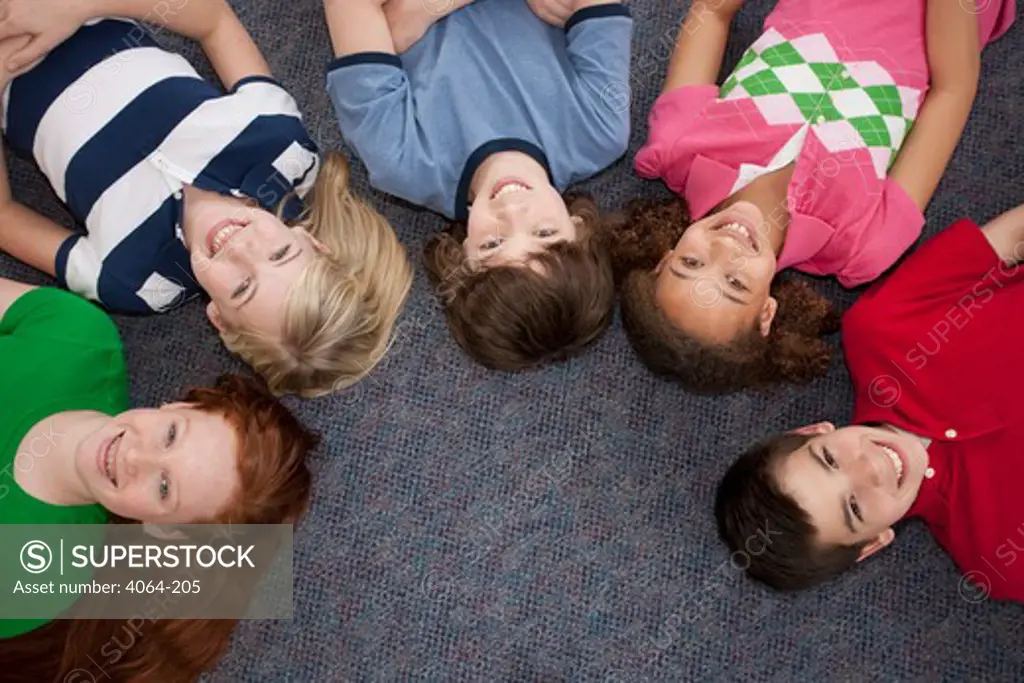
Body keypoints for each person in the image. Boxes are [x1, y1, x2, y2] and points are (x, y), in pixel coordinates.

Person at [0, 0, 412, 397]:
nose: (242, 249)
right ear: (310, 241)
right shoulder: (281, 147)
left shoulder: (134, 281)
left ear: (220, 322)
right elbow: (213, 20)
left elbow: (5, 216)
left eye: (243, 288)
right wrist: (77, 6)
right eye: (280, 254)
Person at [614, 0, 1016, 393]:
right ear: (766, 313)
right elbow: (953, 90)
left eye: (691, 262)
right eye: (735, 282)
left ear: (665, 256)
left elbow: (711, 12)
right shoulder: (862, 246)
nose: (725, 248)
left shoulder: (678, 148)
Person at [0, 276, 314, 679]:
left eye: (164, 488)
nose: (134, 455)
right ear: (178, 404)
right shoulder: (82, 338)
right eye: (170, 435)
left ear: (162, 530)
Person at [715, 204, 1024, 602]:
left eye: (829, 459)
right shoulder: (1001, 562)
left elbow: (1014, 235)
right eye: (855, 508)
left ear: (812, 431)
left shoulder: (881, 327)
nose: (868, 467)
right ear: (873, 543)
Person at [323, 0, 632, 370]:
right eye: (545, 232)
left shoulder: (400, 160)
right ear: (579, 229)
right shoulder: (599, 129)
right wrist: (406, 18)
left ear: (461, 256)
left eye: (492, 244)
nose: (512, 211)